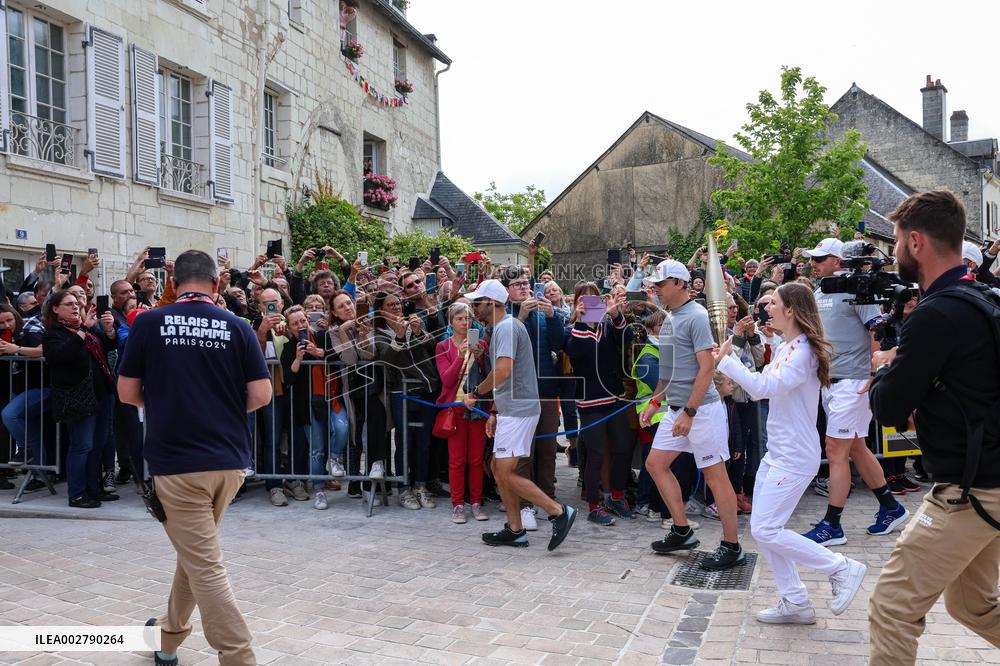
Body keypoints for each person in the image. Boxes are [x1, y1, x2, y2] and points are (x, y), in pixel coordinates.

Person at [118, 250, 272, 666]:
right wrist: (216, 407)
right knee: (195, 554)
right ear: (217, 284)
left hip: (178, 462)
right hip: (229, 462)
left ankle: (238, 656)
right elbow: (261, 395)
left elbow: (127, 393)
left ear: (173, 284)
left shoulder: (149, 322)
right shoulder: (238, 327)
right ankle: (166, 640)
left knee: (205, 565)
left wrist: (173, 402)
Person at [867, 191, 1000, 664]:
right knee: (973, 605)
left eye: (898, 241)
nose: (895, 252)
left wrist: (884, 363)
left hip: (970, 491)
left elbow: (886, 409)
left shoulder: (935, 314)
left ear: (917, 241)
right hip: (989, 480)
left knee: (892, 607)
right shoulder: (984, 298)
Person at [715, 282, 867, 624]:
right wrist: (729, 358)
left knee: (767, 530)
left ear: (791, 311)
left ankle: (841, 568)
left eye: (774, 303)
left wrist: (724, 361)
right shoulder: (787, 345)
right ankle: (795, 601)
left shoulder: (802, 353)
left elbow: (763, 388)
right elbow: (759, 387)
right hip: (779, 452)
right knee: (765, 528)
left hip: (796, 456)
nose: (767, 308)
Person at [802, 238, 908, 546]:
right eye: (814, 258)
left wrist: (875, 375)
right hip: (832, 381)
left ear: (838, 261)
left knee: (836, 451)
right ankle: (891, 507)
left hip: (854, 382)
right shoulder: (822, 291)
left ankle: (832, 524)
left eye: (820, 258)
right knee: (858, 448)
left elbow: (878, 333)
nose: (814, 263)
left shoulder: (859, 292)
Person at [640, 260, 744, 571]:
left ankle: (732, 546)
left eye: (661, 283)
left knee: (715, 477)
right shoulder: (671, 317)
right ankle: (682, 530)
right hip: (676, 409)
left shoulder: (696, 317)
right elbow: (668, 371)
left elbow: (706, 368)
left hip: (700, 411)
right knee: (655, 464)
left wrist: (689, 411)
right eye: (655, 284)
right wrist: (655, 403)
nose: (656, 288)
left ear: (681, 284)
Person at [462, 279, 577, 549]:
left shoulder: (506, 328)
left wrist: (477, 394)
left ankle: (558, 512)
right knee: (498, 468)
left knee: (505, 471)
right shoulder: (505, 326)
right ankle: (515, 529)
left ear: (490, 303)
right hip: (513, 409)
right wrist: (494, 411)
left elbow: (503, 371)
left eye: (477, 302)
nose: (473, 307)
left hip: (519, 410)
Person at [563, 282, 633, 526]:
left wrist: (615, 314)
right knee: (595, 452)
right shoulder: (571, 329)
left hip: (614, 396)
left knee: (624, 447)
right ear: (576, 302)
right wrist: (582, 320)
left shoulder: (608, 326)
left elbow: (628, 338)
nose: (591, 301)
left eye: (595, 297)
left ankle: (616, 496)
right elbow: (577, 352)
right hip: (589, 400)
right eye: (585, 297)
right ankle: (594, 504)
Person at [42, 290, 118, 508]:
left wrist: (109, 329)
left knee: (98, 444)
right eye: (68, 304)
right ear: (55, 309)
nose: (75, 307)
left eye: (76, 303)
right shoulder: (53, 334)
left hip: (102, 394)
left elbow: (109, 346)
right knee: (82, 446)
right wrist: (84, 328)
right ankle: (76, 494)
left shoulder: (88, 329)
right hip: (77, 397)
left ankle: (94, 489)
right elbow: (62, 356)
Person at [435, 302, 490, 523]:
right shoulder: (443, 347)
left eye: (468, 319)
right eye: (459, 319)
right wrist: (461, 355)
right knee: (457, 460)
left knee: (476, 459)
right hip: (455, 408)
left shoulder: (481, 343)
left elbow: (489, 375)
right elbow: (447, 380)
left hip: (476, 408)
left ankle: (476, 502)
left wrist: (479, 356)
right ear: (451, 322)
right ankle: (458, 504)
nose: (464, 323)